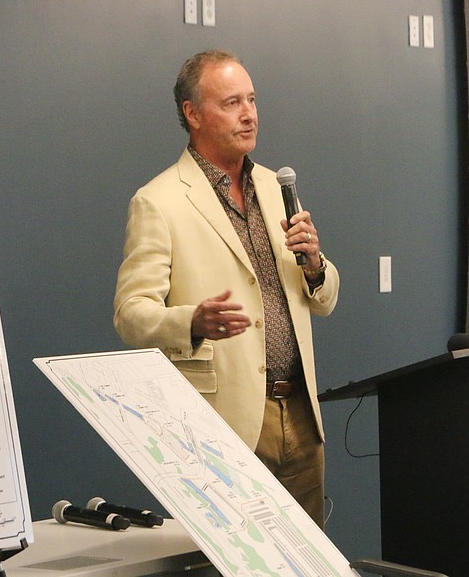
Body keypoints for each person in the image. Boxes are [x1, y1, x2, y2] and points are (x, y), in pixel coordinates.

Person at [113, 50, 339, 528]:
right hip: (223, 418)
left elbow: (322, 300)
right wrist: (191, 321)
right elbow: (130, 314)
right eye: (232, 102)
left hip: (300, 412)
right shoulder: (159, 201)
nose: (249, 114)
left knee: (308, 555)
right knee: (234, 555)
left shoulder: (276, 187)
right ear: (193, 114)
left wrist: (316, 265)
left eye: (252, 100)